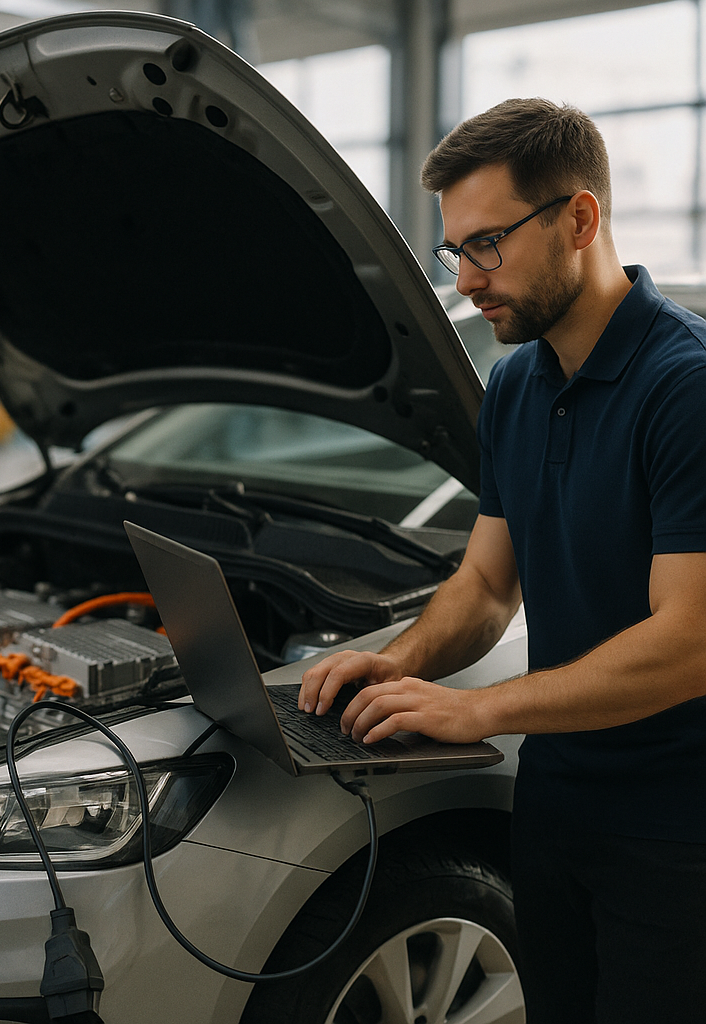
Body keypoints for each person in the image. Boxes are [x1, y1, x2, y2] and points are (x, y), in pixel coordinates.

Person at [299, 98, 706, 1022]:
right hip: (557, 801)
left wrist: (475, 708)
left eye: (489, 244)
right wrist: (398, 662)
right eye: (456, 251)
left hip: (678, 829)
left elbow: (689, 641)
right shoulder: (519, 382)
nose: (469, 277)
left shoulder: (685, 390)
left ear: (580, 218)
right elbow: (487, 583)